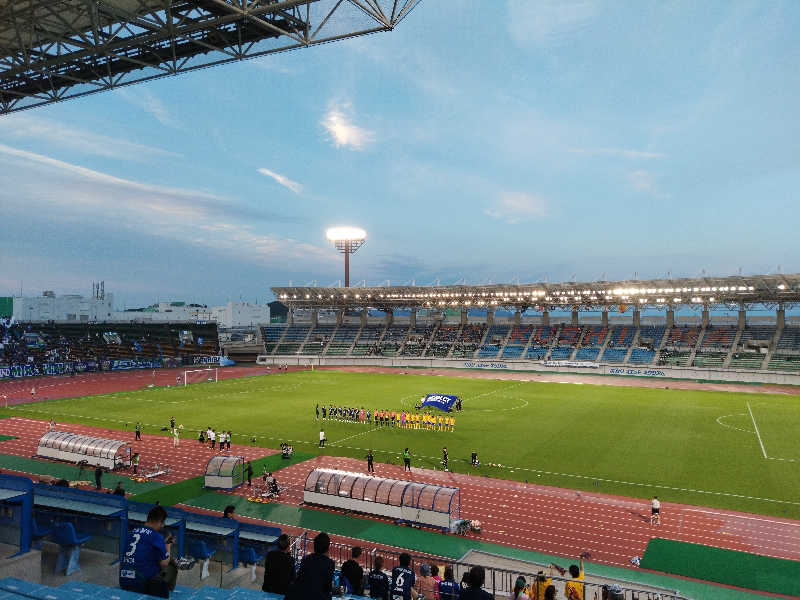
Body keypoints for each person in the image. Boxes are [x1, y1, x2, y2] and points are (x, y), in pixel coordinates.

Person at [119, 504, 177, 598]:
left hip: (124, 580)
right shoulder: (156, 536)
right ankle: (166, 594)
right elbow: (164, 563)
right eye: (163, 523)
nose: (163, 526)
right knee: (172, 565)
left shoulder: (132, 532)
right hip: (142, 584)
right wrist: (168, 546)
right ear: (158, 521)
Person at [284, 532, 335, 600]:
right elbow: (328, 588)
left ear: (315, 546)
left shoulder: (306, 559)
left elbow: (299, 579)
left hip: (299, 594)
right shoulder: (330, 563)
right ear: (327, 548)